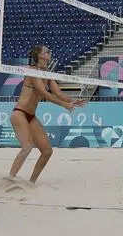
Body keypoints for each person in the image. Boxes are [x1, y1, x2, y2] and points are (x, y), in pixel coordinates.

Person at [5, 45, 86, 186]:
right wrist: (63, 105)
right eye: (47, 51)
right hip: (19, 113)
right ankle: (9, 179)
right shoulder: (33, 71)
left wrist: (72, 101)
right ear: (40, 56)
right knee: (27, 147)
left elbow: (58, 93)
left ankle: (31, 183)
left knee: (47, 151)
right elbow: (44, 93)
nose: (50, 53)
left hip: (31, 116)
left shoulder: (47, 73)